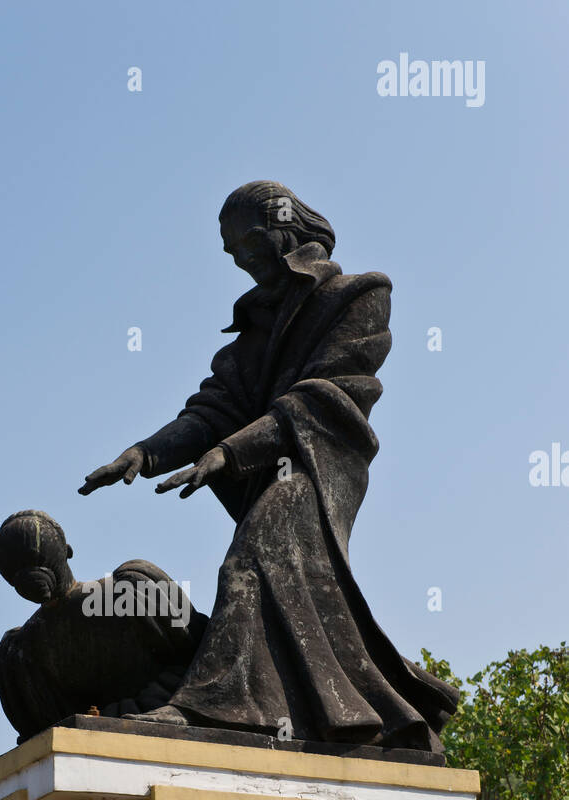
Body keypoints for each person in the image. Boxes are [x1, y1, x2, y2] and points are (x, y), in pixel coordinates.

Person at [78, 181, 458, 752]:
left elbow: (329, 390)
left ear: (284, 230)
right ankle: (359, 714)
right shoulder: (249, 333)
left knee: (250, 561)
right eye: (231, 251)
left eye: (249, 243)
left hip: (319, 462)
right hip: (269, 465)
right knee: (295, 585)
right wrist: (144, 453)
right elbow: (213, 409)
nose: (240, 259)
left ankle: (211, 706)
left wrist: (232, 451)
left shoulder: (360, 294)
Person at [0, 510, 207, 742]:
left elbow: (45, 729)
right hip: (170, 717)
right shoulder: (129, 586)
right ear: (67, 551)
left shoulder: (17, 651)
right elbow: (204, 653)